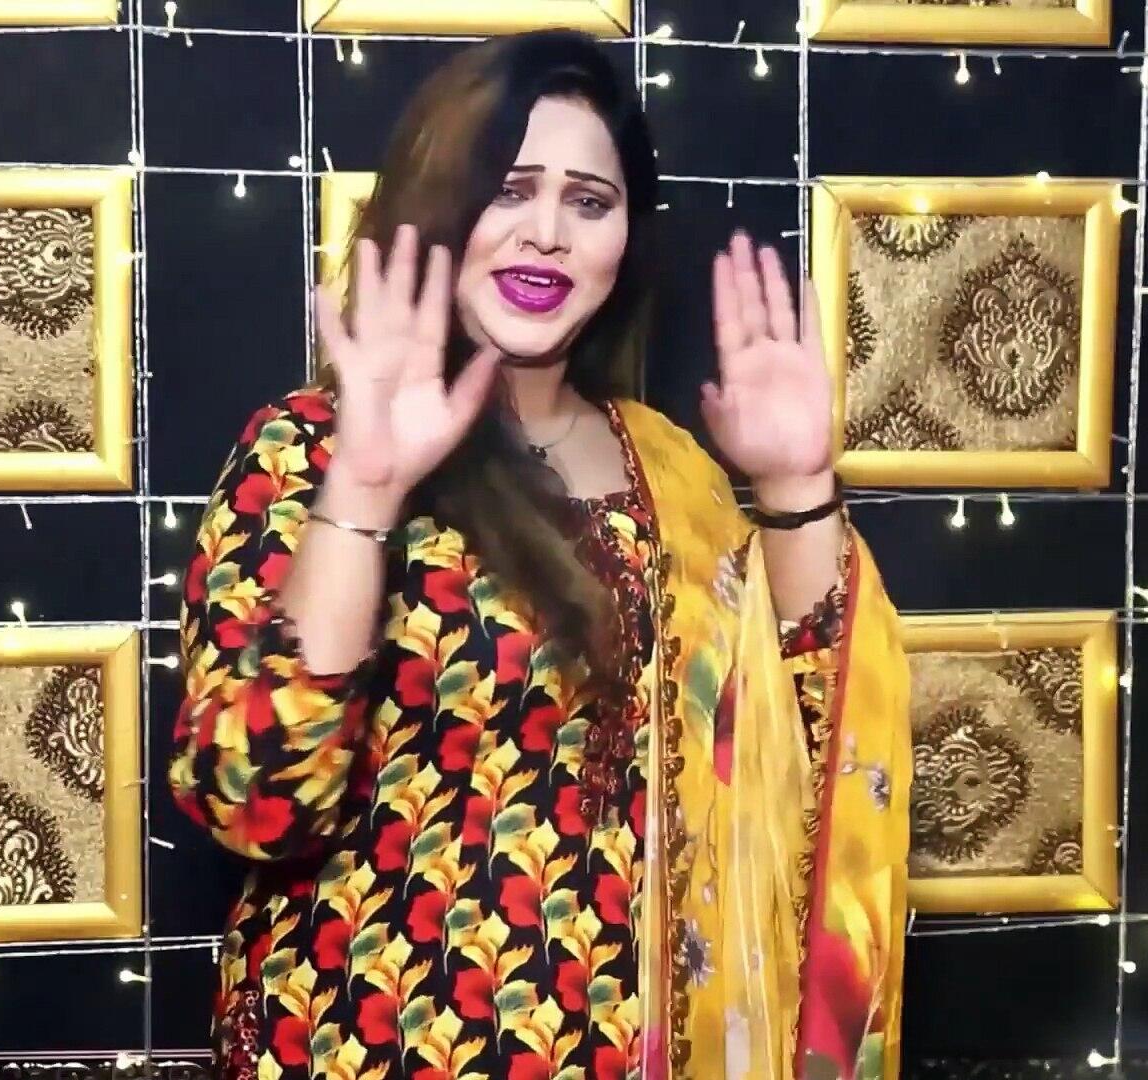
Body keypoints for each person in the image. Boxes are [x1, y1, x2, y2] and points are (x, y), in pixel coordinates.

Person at [170, 29, 910, 1080]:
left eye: (590, 202)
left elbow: (804, 771)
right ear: (439, 203)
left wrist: (795, 488)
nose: (549, 234)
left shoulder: (670, 472)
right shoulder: (307, 450)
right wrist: (367, 491)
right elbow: (256, 801)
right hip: (355, 1044)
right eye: (510, 189)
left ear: (625, 240)